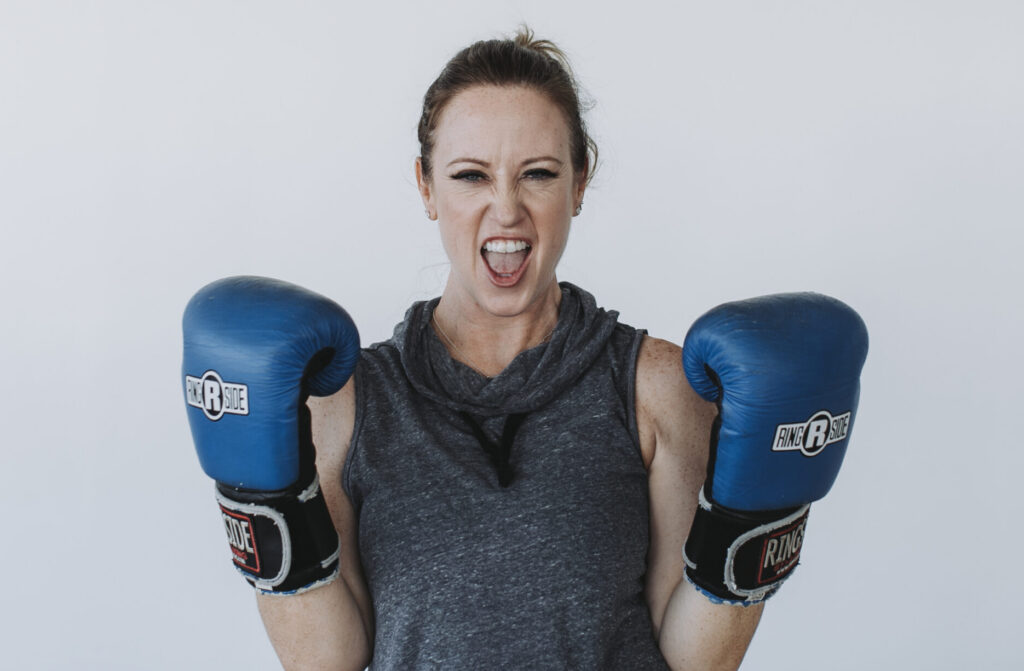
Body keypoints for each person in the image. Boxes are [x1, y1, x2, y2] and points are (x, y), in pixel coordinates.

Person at [182, 27, 867, 670]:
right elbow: (326, 658)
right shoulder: (352, 399)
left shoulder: (652, 387)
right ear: (426, 187)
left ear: (579, 183)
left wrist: (761, 517)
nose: (506, 210)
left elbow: (697, 657)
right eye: (470, 175)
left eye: (537, 173)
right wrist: (266, 506)